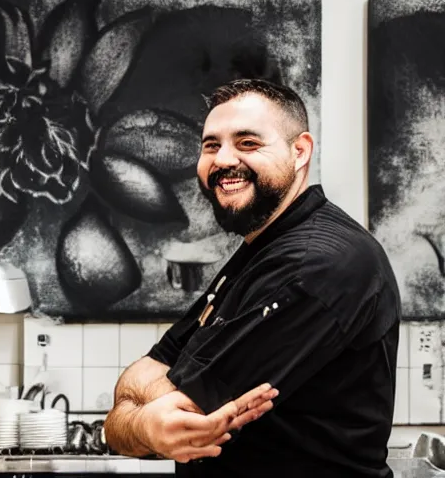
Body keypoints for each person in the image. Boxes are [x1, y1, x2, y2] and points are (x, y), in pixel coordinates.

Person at [105, 79, 401, 478]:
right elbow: (152, 372)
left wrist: (137, 418)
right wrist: (143, 421)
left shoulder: (315, 263)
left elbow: (184, 415)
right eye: (211, 145)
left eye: (247, 143)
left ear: (300, 151)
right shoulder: (263, 250)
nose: (223, 160)